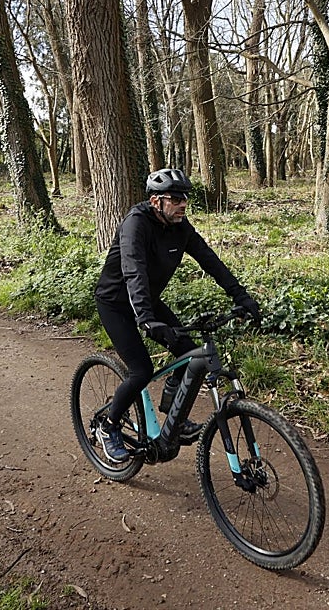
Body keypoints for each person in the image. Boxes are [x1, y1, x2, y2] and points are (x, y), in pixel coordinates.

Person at [92, 168, 261, 462]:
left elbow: (211, 261)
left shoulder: (180, 227)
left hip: (148, 301)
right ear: (156, 201)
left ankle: (174, 416)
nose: (182, 204)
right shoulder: (136, 224)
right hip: (116, 303)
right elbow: (133, 271)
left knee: (188, 353)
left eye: (185, 199)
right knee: (141, 370)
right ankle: (108, 427)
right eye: (175, 199)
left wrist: (241, 296)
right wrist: (146, 318)